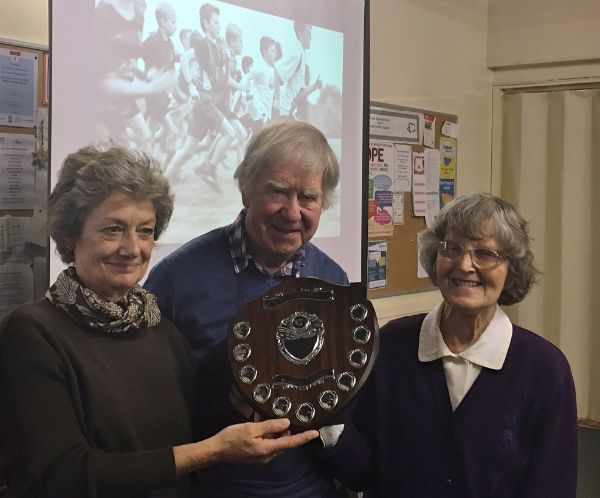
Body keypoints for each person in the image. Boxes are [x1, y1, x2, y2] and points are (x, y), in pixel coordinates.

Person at [0, 145, 320, 498]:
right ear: (72, 233)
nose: (132, 248)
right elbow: (66, 475)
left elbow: (189, 431)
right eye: (112, 230)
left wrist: (252, 407)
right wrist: (213, 451)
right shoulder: (33, 333)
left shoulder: (160, 329)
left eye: (145, 231)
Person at [325, 192, 578, 497]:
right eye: (452, 248)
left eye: (485, 253)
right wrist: (325, 416)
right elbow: (362, 471)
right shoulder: (391, 345)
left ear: (511, 269)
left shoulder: (545, 370)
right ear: (435, 256)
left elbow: (552, 487)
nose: (465, 265)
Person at [145, 120, 347, 496]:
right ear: (245, 191)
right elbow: (147, 404)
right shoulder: (176, 279)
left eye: (308, 197)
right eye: (278, 192)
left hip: (309, 487)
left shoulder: (333, 282)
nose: (292, 212)